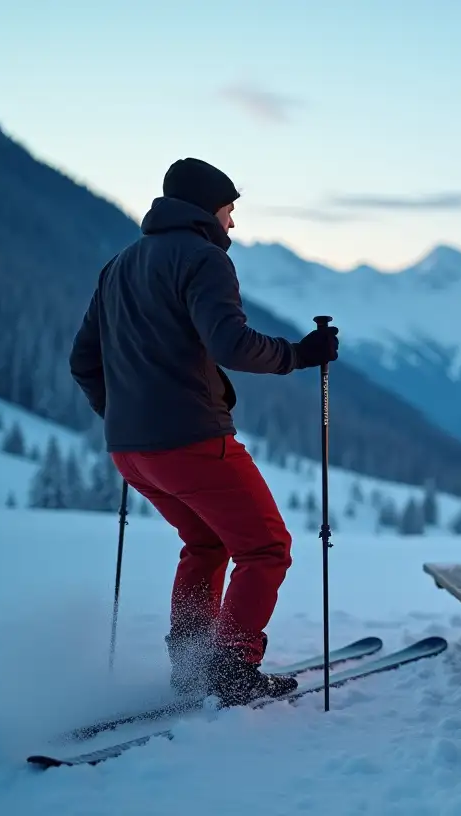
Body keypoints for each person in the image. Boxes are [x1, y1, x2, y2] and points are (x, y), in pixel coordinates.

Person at [69, 157, 341, 707]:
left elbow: (83, 361)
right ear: (208, 209)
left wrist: (124, 416)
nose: (233, 224)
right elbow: (232, 345)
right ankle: (230, 668)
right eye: (230, 209)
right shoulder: (204, 259)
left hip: (130, 451)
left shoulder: (118, 265)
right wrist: (299, 355)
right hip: (192, 441)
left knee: (206, 542)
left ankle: (193, 663)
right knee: (266, 547)